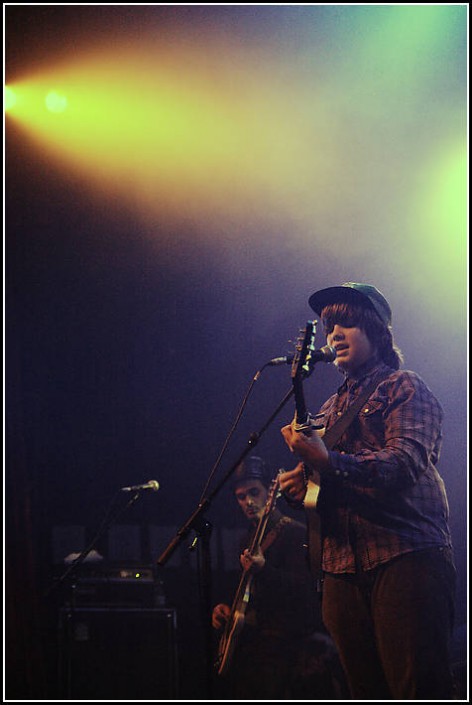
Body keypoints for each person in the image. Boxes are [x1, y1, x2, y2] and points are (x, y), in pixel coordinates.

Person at [279, 282, 457, 700]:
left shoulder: (404, 387)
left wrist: (326, 461)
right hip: (340, 568)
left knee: (417, 687)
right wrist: (297, 484)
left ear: (376, 331)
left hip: (405, 556)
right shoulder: (324, 409)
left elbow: (403, 464)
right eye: (329, 327)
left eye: (347, 323)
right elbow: (323, 485)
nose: (335, 333)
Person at [212, 456, 345, 700]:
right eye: (241, 497)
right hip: (256, 644)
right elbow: (248, 592)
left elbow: (307, 591)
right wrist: (227, 609)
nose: (249, 502)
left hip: (288, 646)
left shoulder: (294, 533)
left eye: (254, 492)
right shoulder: (247, 540)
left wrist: (265, 570)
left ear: (269, 493)